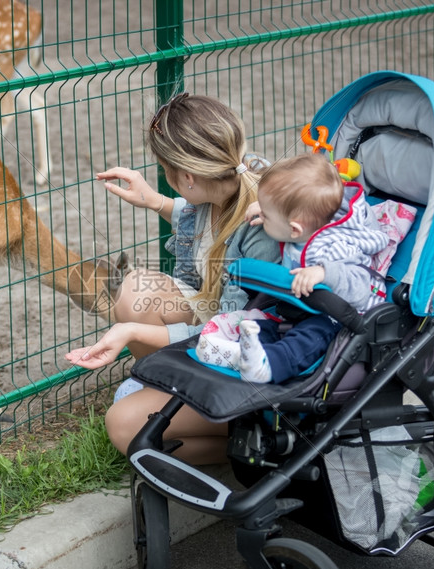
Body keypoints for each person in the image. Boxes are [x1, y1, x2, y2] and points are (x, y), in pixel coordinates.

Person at [65, 93, 281, 464]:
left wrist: (130, 333)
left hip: (244, 357)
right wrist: (156, 201)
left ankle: (257, 441)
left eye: (165, 171)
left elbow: (229, 332)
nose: (164, 179)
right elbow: (202, 225)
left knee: (124, 424)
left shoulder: (259, 229)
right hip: (217, 327)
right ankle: (170, 391)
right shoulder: (224, 184)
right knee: (134, 291)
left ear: (187, 176)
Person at [196, 153, 393, 383]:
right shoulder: (307, 226)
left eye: (267, 216)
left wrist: (324, 272)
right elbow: (291, 212)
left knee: (307, 339)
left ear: (295, 229)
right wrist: (269, 209)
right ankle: (227, 349)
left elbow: (361, 286)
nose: (263, 218)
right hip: (298, 310)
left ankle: (267, 366)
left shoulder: (334, 248)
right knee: (259, 324)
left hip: (339, 322)